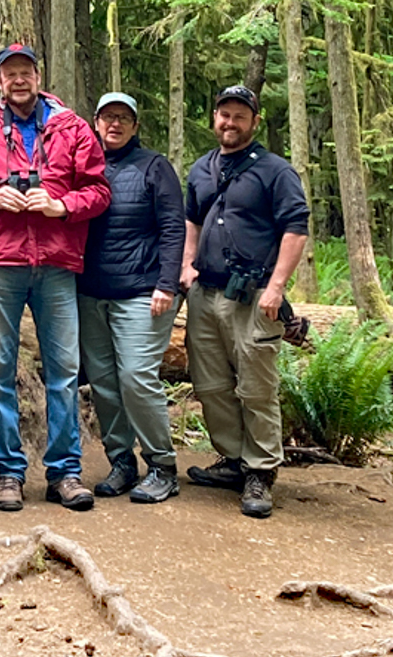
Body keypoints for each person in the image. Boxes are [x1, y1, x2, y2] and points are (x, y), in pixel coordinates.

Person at [0, 43, 109, 513]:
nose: (18, 80)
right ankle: (9, 472)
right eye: (10, 73)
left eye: (26, 71)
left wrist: (61, 205)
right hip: (1, 262)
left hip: (57, 263)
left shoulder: (73, 128)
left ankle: (64, 472)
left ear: (38, 76)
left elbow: (100, 190)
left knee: (63, 373)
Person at [180, 84, 309, 520]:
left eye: (239, 116)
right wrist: (187, 265)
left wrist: (276, 288)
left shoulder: (276, 172)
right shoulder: (201, 169)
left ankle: (260, 470)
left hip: (253, 296)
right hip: (205, 292)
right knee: (211, 383)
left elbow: (295, 229)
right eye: (223, 114)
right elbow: (192, 220)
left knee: (256, 387)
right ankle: (233, 460)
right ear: (214, 118)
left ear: (255, 121)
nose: (229, 123)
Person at [77, 92, 185, 504]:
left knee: (136, 378)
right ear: (97, 122)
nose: (115, 125)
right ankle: (122, 461)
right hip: (91, 293)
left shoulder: (155, 168)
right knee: (104, 382)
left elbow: (174, 228)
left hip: (143, 293)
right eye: (108, 118)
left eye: (124, 118)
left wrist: (167, 283)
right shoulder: (85, 166)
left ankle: (162, 465)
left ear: (135, 125)